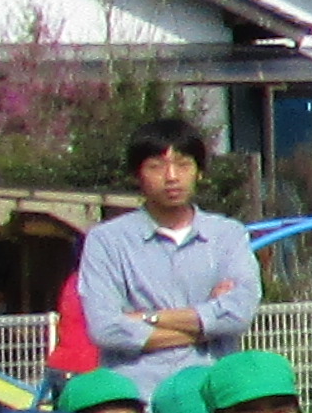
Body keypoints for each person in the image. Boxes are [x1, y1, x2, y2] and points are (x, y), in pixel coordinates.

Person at [72, 118, 262, 372]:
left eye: (183, 165)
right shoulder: (106, 240)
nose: (172, 177)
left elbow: (238, 314)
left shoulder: (229, 235)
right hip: (139, 397)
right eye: (156, 167)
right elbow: (105, 328)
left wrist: (148, 318)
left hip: (210, 393)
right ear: (137, 174)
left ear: (199, 171)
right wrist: (207, 327)